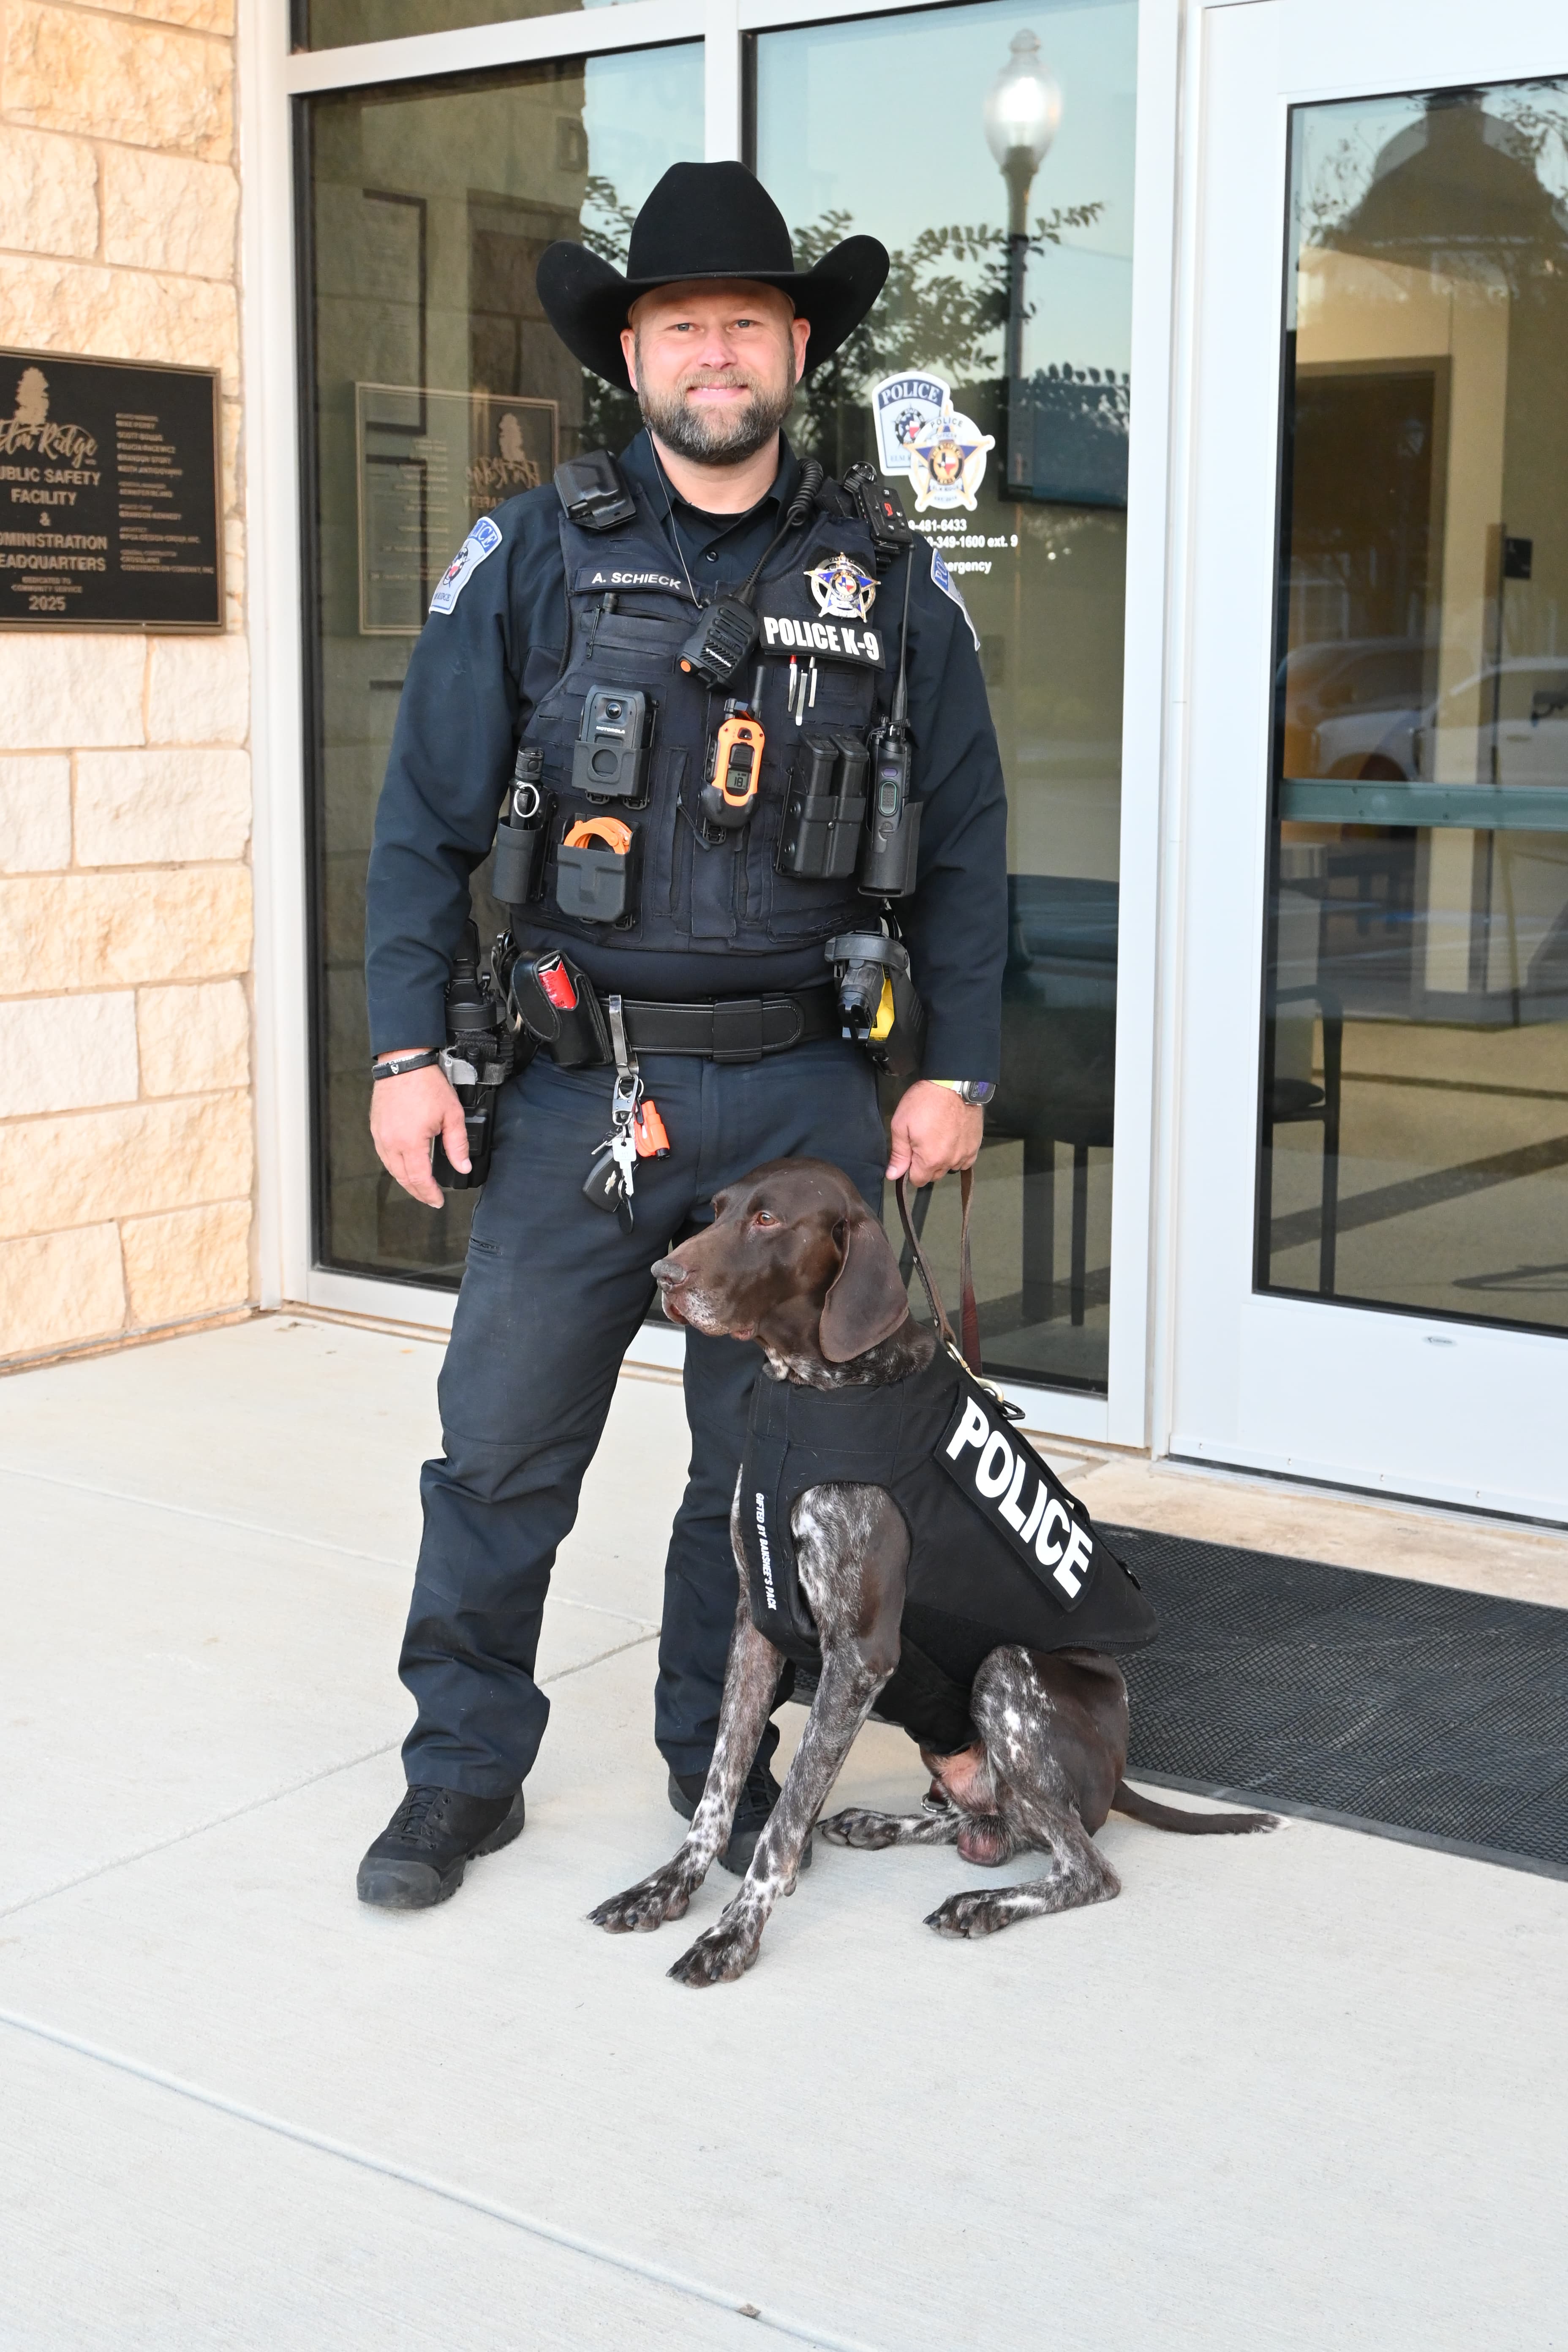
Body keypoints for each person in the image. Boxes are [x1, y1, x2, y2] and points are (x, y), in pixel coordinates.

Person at [356, 161, 1009, 1909]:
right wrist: (403, 1050)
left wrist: (953, 1070)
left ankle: (701, 1766)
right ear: (630, 353)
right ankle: (460, 1772)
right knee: (498, 1448)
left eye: (743, 323)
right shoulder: (533, 549)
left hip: (802, 1097)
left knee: (761, 1472)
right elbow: (422, 821)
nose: (712, 355)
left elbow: (965, 844)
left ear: (793, 344)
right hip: (588, 1083)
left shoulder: (884, 573)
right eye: (676, 327)